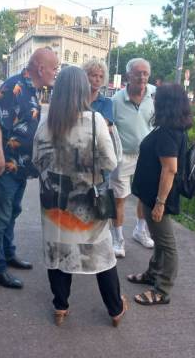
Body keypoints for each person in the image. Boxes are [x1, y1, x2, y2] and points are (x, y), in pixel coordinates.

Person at [32, 66, 128, 327]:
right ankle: (115, 309)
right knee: (100, 254)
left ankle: (60, 307)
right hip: (87, 203)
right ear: (83, 90)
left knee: (57, 251)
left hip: (53, 204)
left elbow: (36, 160)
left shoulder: (45, 121)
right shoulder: (95, 121)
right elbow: (110, 162)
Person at [0, 47, 58, 289]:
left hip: (20, 168)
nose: (55, 73)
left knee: (12, 213)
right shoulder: (13, 87)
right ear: (40, 68)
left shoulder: (32, 90)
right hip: (5, 167)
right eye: (54, 68)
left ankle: (8, 254)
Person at [129, 83, 192, 306]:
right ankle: (152, 274)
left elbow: (170, 169)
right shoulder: (168, 127)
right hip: (151, 195)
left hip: (159, 197)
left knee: (166, 243)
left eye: (157, 96)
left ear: (166, 102)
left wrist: (159, 203)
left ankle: (163, 289)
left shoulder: (167, 132)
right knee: (158, 239)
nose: (153, 98)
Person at [111, 58, 155, 257]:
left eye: (146, 73)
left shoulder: (154, 95)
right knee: (119, 198)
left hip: (146, 157)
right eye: (138, 73)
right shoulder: (116, 100)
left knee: (144, 197)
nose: (142, 77)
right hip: (122, 157)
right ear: (129, 75)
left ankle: (140, 230)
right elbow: (109, 129)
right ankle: (118, 240)